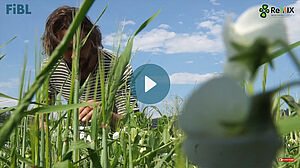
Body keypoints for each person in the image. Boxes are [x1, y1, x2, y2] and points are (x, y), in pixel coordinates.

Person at [41, 6, 139, 126]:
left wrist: (105, 115)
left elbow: (132, 123)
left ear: (92, 39)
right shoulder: (51, 68)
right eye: (67, 49)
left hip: (112, 135)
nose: (74, 56)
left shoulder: (118, 66)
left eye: (80, 46)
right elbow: (42, 114)